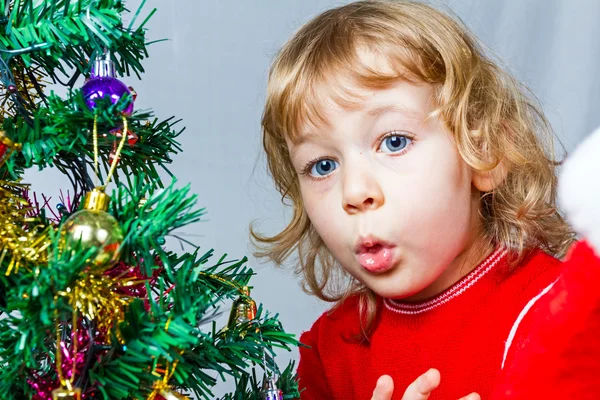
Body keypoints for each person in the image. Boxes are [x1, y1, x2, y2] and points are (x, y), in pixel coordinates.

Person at [251, 1, 577, 398]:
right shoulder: (328, 351)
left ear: (485, 152)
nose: (354, 193)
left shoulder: (562, 314)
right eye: (322, 166)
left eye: (394, 141)